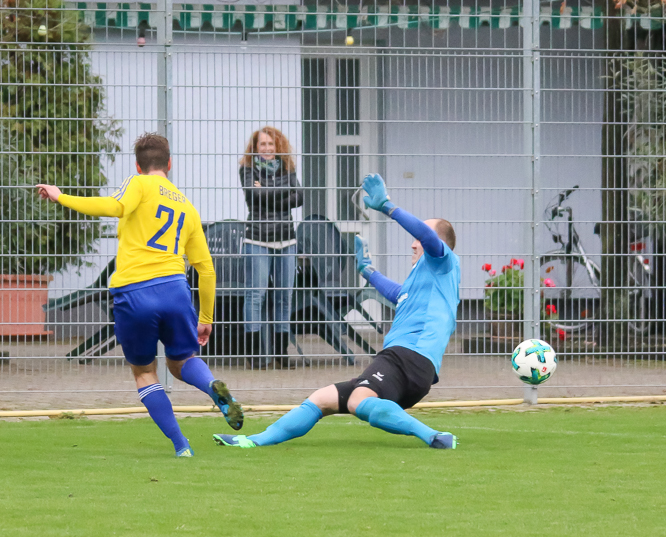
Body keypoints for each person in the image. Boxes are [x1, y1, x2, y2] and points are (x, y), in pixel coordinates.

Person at [214, 173, 458, 450]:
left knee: (357, 401)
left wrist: (387, 207)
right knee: (321, 399)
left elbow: (426, 237)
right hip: (412, 366)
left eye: (419, 239)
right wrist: (368, 271)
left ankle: (435, 436)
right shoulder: (428, 279)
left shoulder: (444, 262)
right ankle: (252, 441)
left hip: (407, 357)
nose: (414, 243)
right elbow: (399, 294)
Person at [36, 133, 244, 457]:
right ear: (169, 163)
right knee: (182, 362)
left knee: (144, 372)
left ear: (138, 165)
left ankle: (181, 446)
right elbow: (206, 269)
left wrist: (62, 196)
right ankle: (211, 386)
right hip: (175, 291)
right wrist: (205, 318)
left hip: (135, 293)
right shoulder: (186, 205)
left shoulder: (138, 184)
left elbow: (114, 206)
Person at [239, 126, 303, 369]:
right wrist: (284, 192)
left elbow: (300, 197)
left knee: (284, 296)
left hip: (286, 239)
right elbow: (253, 195)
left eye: (271, 144)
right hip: (257, 238)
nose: (267, 148)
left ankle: (281, 354)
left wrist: (265, 192)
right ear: (255, 148)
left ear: (278, 146)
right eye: (263, 144)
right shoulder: (248, 169)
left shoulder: (287, 167)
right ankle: (254, 355)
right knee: (256, 295)